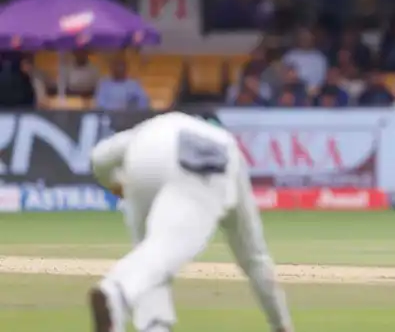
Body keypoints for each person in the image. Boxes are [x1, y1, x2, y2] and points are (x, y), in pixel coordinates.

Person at [87, 111, 293, 332]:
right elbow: (255, 258)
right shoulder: (226, 145)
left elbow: (98, 157)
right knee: (165, 251)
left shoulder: (159, 124)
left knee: (151, 260)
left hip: (143, 153)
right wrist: (281, 325)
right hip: (199, 165)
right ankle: (117, 291)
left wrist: (115, 183)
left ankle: (152, 325)